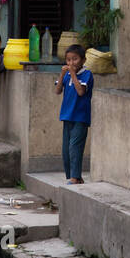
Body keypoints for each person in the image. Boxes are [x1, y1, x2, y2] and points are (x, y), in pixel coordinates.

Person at [55, 44, 93, 184]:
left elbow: (81, 91)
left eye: (75, 59)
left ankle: (75, 177)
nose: (71, 63)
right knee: (66, 150)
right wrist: (62, 74)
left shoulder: (87, 74)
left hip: (80, 117)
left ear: (83, 60)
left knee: (74, 147)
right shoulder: (66, 75)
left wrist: (72, 74)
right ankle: (73, 176)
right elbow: (57, 90)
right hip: (67, 115)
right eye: (68, 60)